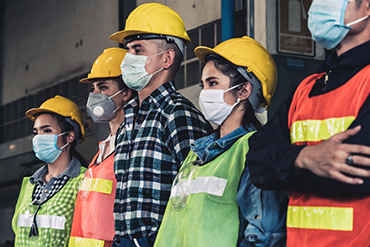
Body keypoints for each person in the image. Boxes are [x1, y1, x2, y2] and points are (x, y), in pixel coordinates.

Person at [247, 0, 370, 245]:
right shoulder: (307, 87)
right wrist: (303, 158)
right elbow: (256, 162)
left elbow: (359, 174)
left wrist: (285, 167)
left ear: (367, 7)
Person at [154, 36, 288, 247]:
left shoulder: (254, 151)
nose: (204, 93)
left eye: (213, 83)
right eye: (203, 85)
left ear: (244, 90)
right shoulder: (196, 153)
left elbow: (264, 236)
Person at [109, 3, 213, 246]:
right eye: (127, 50)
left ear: (167, 58)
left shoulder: (178, 115)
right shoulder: (129, 120)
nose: (128, 59)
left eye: (138, 49)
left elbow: (195, 198)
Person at [68, 48, 136, 247]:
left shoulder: (134, 147)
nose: (95, 94)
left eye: (103, 87)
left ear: (126, 93)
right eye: (93, 89)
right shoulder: (102, 150)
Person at [12, 95, 87, 247]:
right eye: (36, 132)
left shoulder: (85, 180)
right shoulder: (30, 184)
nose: (39, 138)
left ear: (69, 137)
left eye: (46, 130)